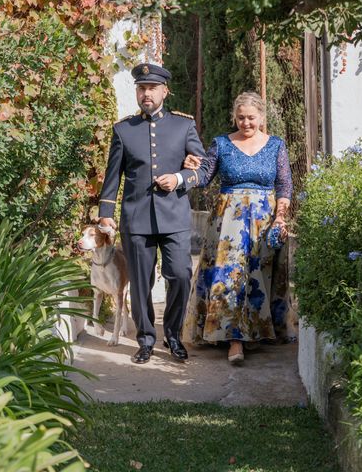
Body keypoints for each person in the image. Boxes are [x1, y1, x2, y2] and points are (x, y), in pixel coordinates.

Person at [98, 63, 208, 365]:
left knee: (181, 275)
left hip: (174, 217)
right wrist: (105, 212)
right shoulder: (123, 130)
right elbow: (113, 176)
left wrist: (180, 178)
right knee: (141, 281)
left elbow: (203, 169)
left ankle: (172, 335)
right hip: (136, 219)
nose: (146, 94)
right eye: (141, 88)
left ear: (164, 91)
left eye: (152, 88)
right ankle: (145, 339)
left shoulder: (183, 126)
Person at [182, 91, 293, 364]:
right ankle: (234, 340)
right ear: (235, 117)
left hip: (264, 221)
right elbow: (204, 177)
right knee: (229, 276)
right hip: (227, 224)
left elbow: (284, 185)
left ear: (262, 118)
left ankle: (255, 331)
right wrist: (188, 167)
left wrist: (280, 217)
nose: (246, 123)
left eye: (251, 118)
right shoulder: (221, 144)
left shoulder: (276, 145)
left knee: (258, 276)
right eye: (241, 117)